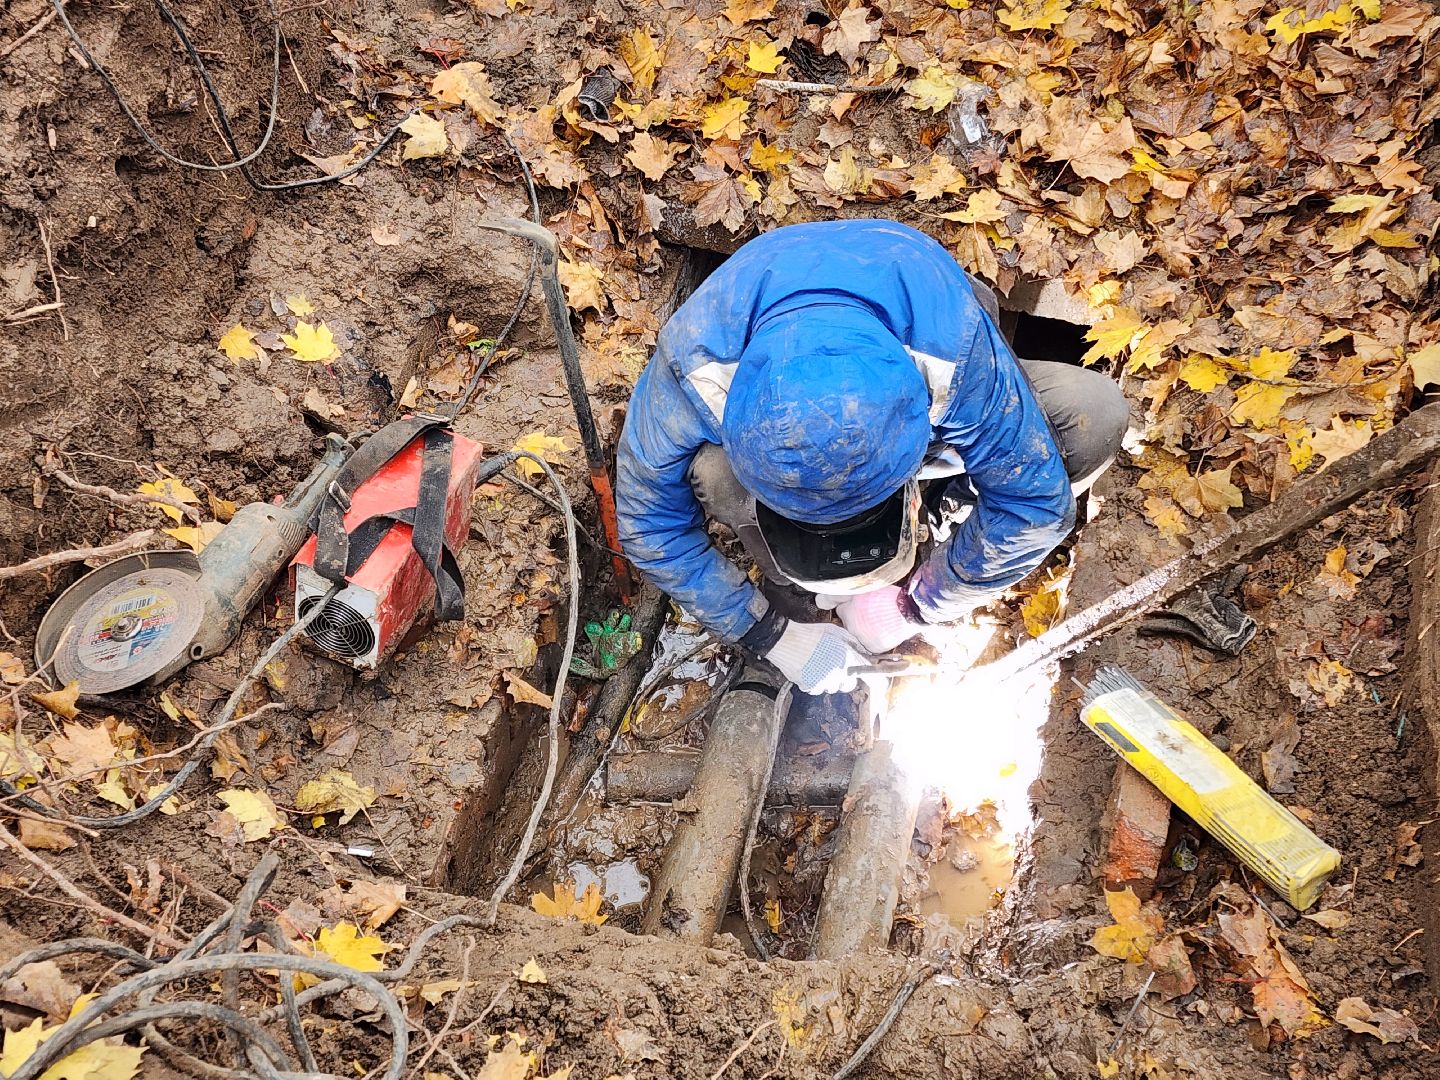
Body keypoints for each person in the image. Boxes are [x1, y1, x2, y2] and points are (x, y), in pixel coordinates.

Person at [615, 219, 1128, 696]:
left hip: (919, 397)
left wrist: (918, 605)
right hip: (794, 405)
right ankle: (792, 582)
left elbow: (1034, 505)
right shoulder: (694, 366)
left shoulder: (952, 353)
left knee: (1092, 416)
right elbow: (648, 526)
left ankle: (945, 513)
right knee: (713, 475)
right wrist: (770, 634)